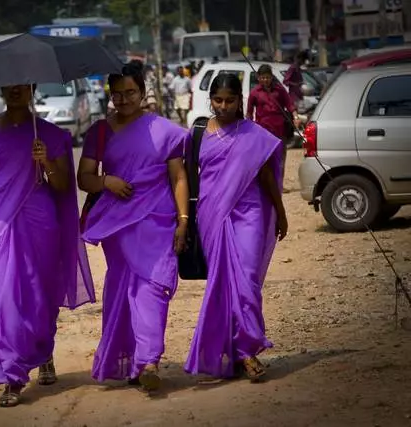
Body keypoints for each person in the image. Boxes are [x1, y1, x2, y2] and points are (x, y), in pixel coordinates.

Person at [0, 84, 95, 407]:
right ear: (0, 88)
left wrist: (47, 161)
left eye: (22, 85)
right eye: (9, 85)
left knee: (39, 299)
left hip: (40, 227)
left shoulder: (50, 134)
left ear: (32, 89)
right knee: (0, 302)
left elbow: (64, 185)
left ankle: (42, 352)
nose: (14, 90)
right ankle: (11, 376)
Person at [77, 61, 190, 391]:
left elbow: (178, 177)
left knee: (153, 287)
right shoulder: (100, 132)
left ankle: (150, 360)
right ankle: (133, 361)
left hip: (159, 221)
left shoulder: (165, 130)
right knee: (123, 291)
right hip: (119, 225)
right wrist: (106, 181)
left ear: (143, 92)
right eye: (118, 94)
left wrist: (183, 221)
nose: (124, 99)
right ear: (109, 95)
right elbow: (84, 178)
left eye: (130, 92)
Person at [184, 73, 288, 382]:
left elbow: (267, 177)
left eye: (230, 100)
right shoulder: (198, 133)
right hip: (212, 214)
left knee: (248, 280)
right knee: (222, 284)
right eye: (218, 100)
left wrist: (280, 213)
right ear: (210, 100)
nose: (224, 106)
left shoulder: (254, 134)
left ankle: (247, 350)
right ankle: (235, 353)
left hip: (251, 212)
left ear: (240, 100)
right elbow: (186, 177)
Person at [246, 64, 300, 178]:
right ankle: (266, 184)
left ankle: (279, 184)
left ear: (271, 77)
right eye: (263, 77)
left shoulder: (279, 90)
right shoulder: (254, 92)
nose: (265, 80)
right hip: (263, 132)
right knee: (264, 159)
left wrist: (296, 117)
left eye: (267, 77)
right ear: (258, 78)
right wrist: (249, 128)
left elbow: (289, 104)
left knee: (280, 158)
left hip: (279, 130)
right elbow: (249, 112)